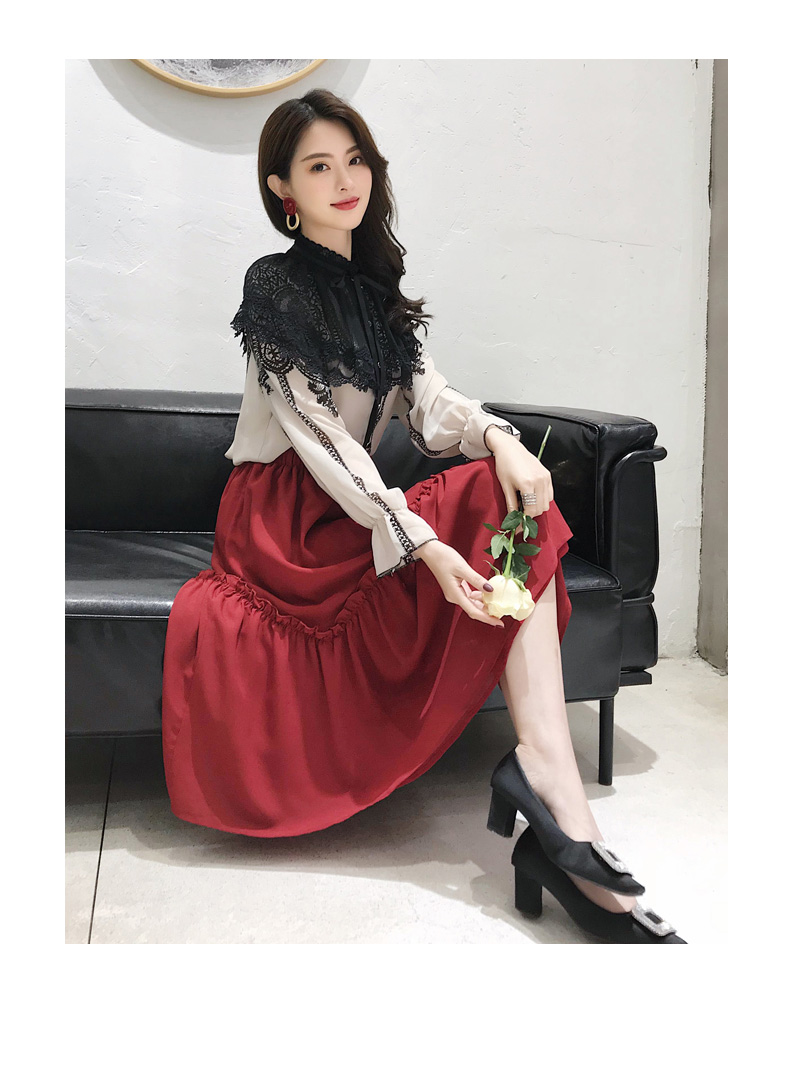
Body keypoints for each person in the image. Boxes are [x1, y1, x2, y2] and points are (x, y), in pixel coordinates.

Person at [161, 89, 685, 943]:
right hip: (285, 520)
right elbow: (320, 439)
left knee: (498, 484)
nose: (344, 181)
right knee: (470, 503)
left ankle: (551, 784)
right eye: (319, 167)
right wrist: (421, 543)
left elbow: (430, 403)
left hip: (355, 510)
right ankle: (554, 805)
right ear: (282, 190)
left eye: (355, 161)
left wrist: (503, 441)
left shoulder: (378, 294)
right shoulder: (275, 285)